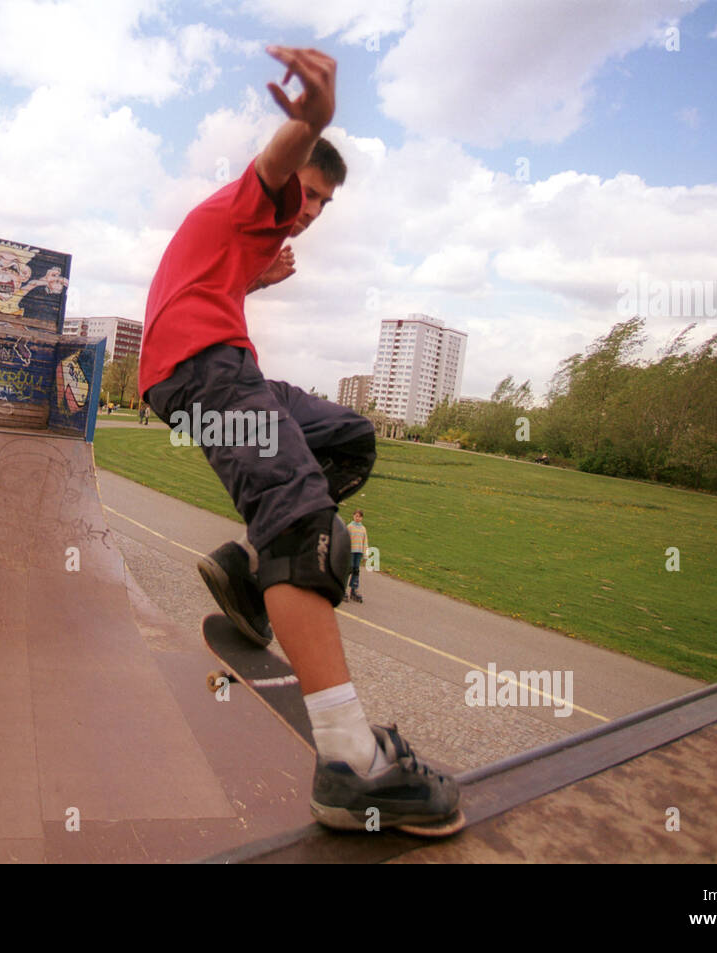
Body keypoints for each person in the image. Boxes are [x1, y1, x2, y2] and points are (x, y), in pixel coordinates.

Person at [139, 45, 458, 832]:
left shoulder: (240, 242)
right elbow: (272, 168)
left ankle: (252, 569)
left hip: (219, 368)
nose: (308, 213)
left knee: (349, 438)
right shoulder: (253, 200)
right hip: (202, 372)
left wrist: (252, 281)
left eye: (321, 206)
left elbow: (201, 276)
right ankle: (351, 759)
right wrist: (308, 121)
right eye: (308, 194)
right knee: (305, 517)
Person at [346, 510, 367, 602]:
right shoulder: (349, 527)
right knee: (348, 569)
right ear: (353, 516)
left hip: (358, 552)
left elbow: (365, 542)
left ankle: (353, 590)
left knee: (356, 571)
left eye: (359, 516)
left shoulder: (363, 529)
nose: (357, 518)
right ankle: (343, 589)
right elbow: (345, 538)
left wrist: (365, 555)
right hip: (350, 552)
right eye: (356, 516)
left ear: (362, 518)